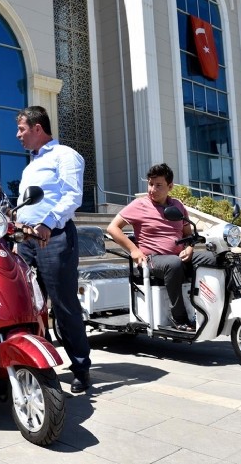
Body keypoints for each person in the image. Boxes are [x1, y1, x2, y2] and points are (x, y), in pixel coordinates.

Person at [15, 105, 91, 393]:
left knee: (63, 306)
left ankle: (81, 368)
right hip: (27, 242)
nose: (18, 135)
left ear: (37, 128)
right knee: (28, 306)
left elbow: (73, 196)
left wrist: (47, 223)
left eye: (22, 129)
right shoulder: (31, 165)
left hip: (54, 237)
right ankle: (37, 363)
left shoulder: (65, 156)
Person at [107, 163, 215, 332]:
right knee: (173, 263)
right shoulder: (139, 205)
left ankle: (211, 309)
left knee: (214, 258)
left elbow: (187, 233)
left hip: (179, 256)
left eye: (158, 185)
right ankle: (178, 317)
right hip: (152, 259)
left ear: (170, 186)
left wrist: (189, 247)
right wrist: (134, 250)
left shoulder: (177, 206)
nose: (152, 189)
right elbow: (112, 228)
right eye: (150, 184)